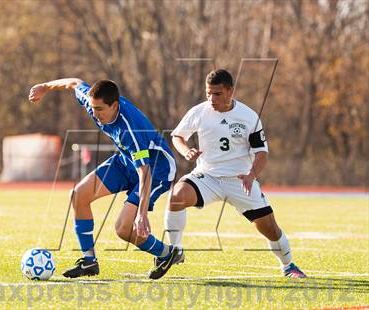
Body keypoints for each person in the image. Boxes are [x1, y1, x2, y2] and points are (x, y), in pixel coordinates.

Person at [29, 78, 179, 279]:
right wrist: (45, 87)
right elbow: (73, 83)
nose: (95, 114)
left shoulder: (130, 129)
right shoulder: (94, 104)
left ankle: (167, 253)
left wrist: (142, 214)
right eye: (93, 108)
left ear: (115, 105)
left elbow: (145, 173)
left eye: (99, 109)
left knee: (124, 229)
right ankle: (89, 261)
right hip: (126, 161)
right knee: (78, 195)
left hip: (157, 170)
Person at [163, 69, 307, 278]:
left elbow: (262, 154)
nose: (212, 99)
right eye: (208, 93)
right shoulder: (199, 111)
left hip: (240, 181)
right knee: (176, 197)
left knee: (270, 229)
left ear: (230, 91)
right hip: (207, 177)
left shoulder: (248, 117)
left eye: (217, 94)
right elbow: (177, 136)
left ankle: (288, 266)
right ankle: (175, 250)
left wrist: (251, 175)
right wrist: (186, 151)